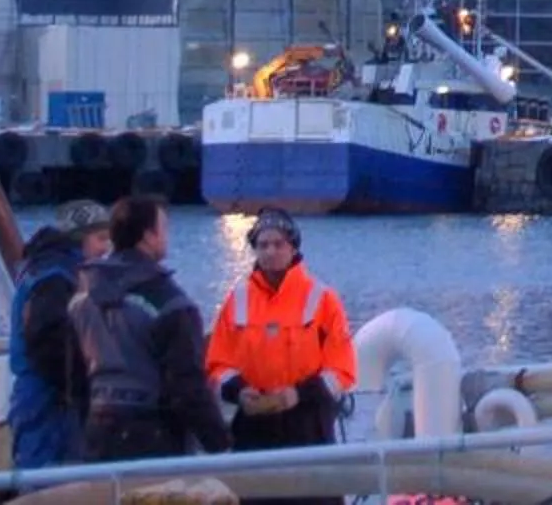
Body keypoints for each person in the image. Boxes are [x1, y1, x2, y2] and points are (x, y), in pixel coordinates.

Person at [206, 208, 356, 503]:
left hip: (308, 427)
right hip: (253, 429)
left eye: (278, 244)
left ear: (293, 248)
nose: (270, 251)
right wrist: (239, 391)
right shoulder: (237, 299)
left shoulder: (322, 299)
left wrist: (298, 394)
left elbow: (342, 370)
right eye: (263, 245)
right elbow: (217, 364)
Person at [68, 196, 230, 464]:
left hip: (96, 432)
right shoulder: (169, 303)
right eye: (163, 229)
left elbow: (71, 376)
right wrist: (220, 444)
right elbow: (188, 385)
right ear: (148, 236)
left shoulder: (82, 296)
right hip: (153, 436)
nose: (165, 237)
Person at [5, 199, 109, 472]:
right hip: (50, 404)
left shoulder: (48, 271)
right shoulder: (56, 280)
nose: (105, 248)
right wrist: (83, 385)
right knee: (51, 484)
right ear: (80, 239)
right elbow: (50, 345)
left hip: (41, 400)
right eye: (100, 238)